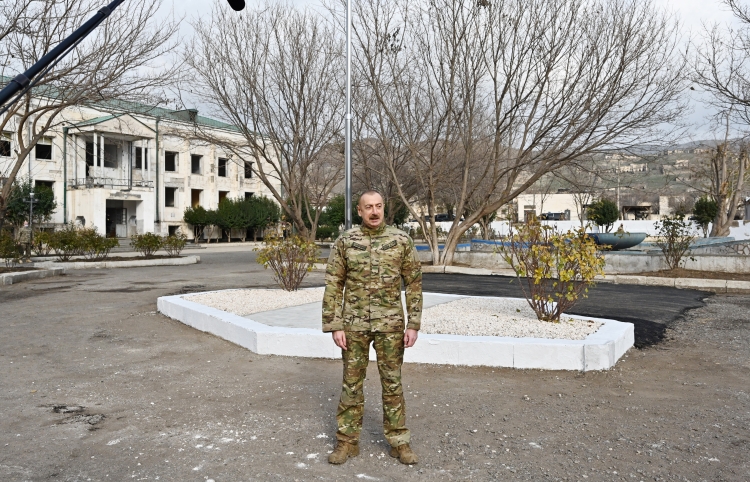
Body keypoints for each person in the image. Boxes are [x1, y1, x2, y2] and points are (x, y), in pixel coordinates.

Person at [322, 190, 423, 465]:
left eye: (378, 206)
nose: (374, 211)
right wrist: (334, 325)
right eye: (369, 207)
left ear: (384, 208)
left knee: (392, 383)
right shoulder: (346, 241)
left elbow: (413, 283)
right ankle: (347, 442)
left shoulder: (400, 240)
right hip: (353, 325)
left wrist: (413, 324)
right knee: (351, 384)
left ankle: (399, 442)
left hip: (390, 325)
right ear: (359, 211)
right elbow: (334, 283)